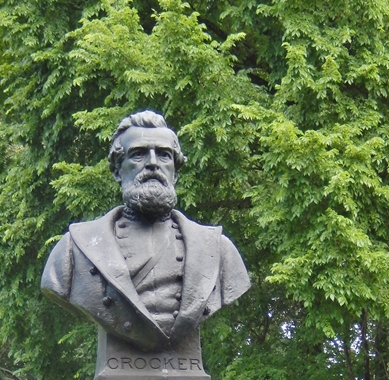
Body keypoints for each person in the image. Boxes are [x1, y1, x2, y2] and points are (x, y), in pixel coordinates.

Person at [41, 111, 250, 352]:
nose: (152, 163)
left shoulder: (218, 250)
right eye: (138, 154)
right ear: (118, 171)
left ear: (175, 171)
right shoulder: (73, 250)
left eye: (164, 155)